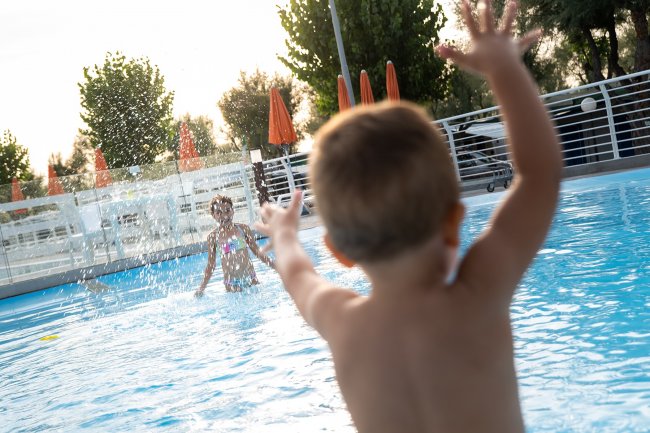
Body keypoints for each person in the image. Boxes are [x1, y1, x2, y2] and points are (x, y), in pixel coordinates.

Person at [253, 1, 563, 432]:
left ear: (338, 251)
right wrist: (503, 68)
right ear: (454, 220)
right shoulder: (478, 294)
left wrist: (285, 233)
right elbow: (540, 175)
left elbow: (297, 273)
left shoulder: (341, 323)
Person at [195, 194, 275, 296]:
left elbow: (257, 252)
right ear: (213, 216)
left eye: (227, 210)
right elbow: (211, 265)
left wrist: (275, 266)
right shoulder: (213, 237)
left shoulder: (243, 229)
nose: (224, 216)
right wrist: (201, 288)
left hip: (250, 278)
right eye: (219, 213)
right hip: (231, 283)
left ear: (233, 210)